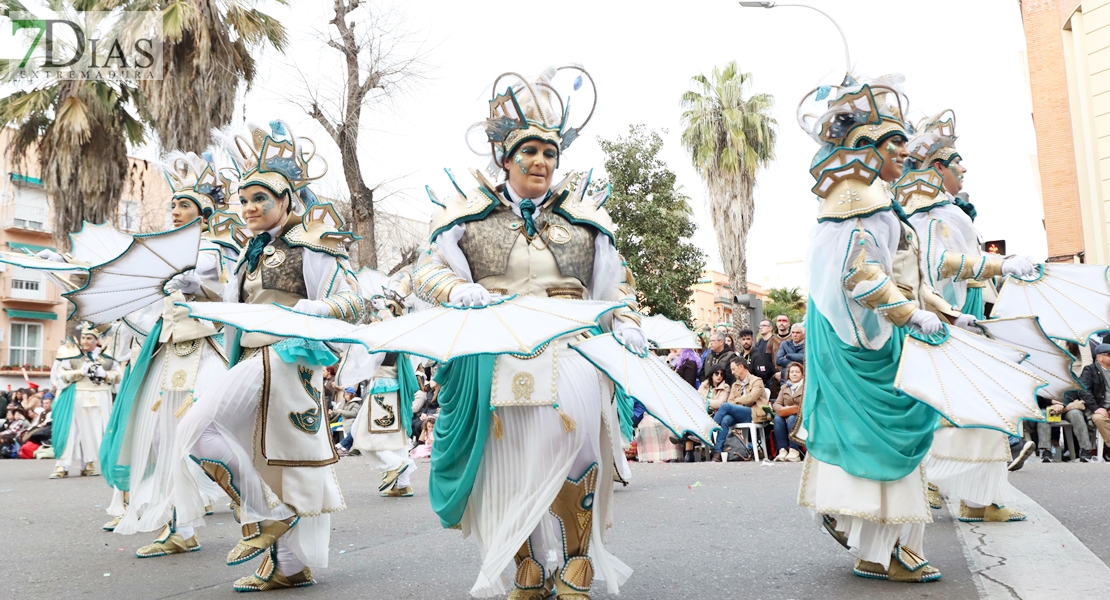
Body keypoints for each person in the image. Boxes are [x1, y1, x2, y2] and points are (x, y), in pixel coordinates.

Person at [410, 66, 648, 598]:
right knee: (507, 461)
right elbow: (425, 273)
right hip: (493, 351)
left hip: (571, 346)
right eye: (529, 152)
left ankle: (577, 561)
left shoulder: (586, 221)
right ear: (505, 158)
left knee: (574, 445)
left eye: (549, 152)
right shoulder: (465, 217)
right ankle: (529, 566)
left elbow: (617, 287)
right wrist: (456, 290)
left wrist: (627, 322)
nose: (541, 162)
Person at [795, 77, 990, 582]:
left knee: (897, 436)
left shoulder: (879, 197)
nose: (905, 151)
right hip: (864, 342)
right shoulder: (856, 202)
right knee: (876, 438)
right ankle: (882, 546)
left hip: (885, 335)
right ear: (865, 147)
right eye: (894, 142)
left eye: (904, 140)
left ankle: (872, 539)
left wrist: (945, 311)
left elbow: (906, 273)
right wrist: (911, 314)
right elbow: (862, 278)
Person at [174, 121, 366, 592]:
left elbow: (355, 299)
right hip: (252, 357)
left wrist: (319, 306)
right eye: (243, 200)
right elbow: (236, 313)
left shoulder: (311, 244)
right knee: (233, 447)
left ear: (287, 201)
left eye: (260, 198)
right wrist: (198, 290)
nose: (249, 208)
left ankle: (277, 534)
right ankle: (283, 552)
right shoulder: (247, 254)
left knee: (210, 435)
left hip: (285, 359)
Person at [97, 150, 245, 553]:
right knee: (164, 444)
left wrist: (199, 286)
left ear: (205, 213)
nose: (175, 211)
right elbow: (145, 311)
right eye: (173, 204)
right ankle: (182, 529)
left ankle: (250, 497)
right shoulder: (162, 255)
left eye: (184, 205)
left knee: (206, 434)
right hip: (169, 354)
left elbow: (230, 297)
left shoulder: (218, 248)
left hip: (207, 351)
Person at [905, 110, 1038, 521]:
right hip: (952, 321)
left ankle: (970, 495)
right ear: (938, 167)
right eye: (956, 160)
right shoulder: (931, 211)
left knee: (967, 409)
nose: (964, 167)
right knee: (969, 410)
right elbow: (936, 263)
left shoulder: (941, 208)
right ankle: (960, 493)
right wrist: (1000, 266)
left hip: (964, 317)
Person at [49, 324, 122, 479]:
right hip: (77, 397)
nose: (85, 341)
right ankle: (62, 465)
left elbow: (118, 376)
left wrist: (105, 375)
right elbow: (60, 375)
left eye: (89, 338)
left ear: (98, 340)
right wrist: (79, 372)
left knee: (93, 431)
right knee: (71, 432)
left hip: (100, 397)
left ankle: (88, 464)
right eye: (83, 337)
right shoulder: (70, 354)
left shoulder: (108, 355)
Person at [710, 357, 765, 461]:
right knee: (725, 419)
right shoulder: (736, 384)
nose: (732, 372)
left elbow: (751, 399)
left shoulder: (757, 381)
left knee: (725, 406)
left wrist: (736, 401)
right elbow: (731, 400)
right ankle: (718, 452)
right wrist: (735, 403)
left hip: (753, 413)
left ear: (741, 367)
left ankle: (708, 431)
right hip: (739, 413)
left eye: (734, 369)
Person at [1074, 342, 1110, 459]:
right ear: (1100, 357)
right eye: (1109, 354)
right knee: (1098, 418)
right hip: (1101, 407)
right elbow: (1083, 390)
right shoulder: (1090, 370)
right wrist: (1096, 408)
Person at [772, 362, 805, 462]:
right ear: (788, 374)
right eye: (792, 372)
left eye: (797, 372)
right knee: (777, 418)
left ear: (802, 374)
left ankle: (794, 450)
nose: (794, 374)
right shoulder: (784, 387)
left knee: (792, 418)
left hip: (802, 416)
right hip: (787, 414)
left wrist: (794, 410)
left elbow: (807, 403)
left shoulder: (806, 387)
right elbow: (776, 404)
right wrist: (784, 410)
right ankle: (783, 450)